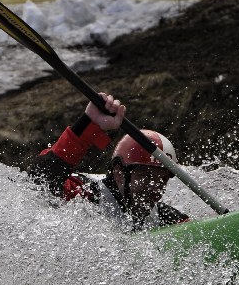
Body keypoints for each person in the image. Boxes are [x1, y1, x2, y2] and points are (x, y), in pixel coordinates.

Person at [29, 93, 189, 231]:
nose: (155, 186)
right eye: (146, 176)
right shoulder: (87, 197)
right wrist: (88, 123)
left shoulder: (168, 219)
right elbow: (39, 181)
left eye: (162, 179)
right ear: (119, 173)